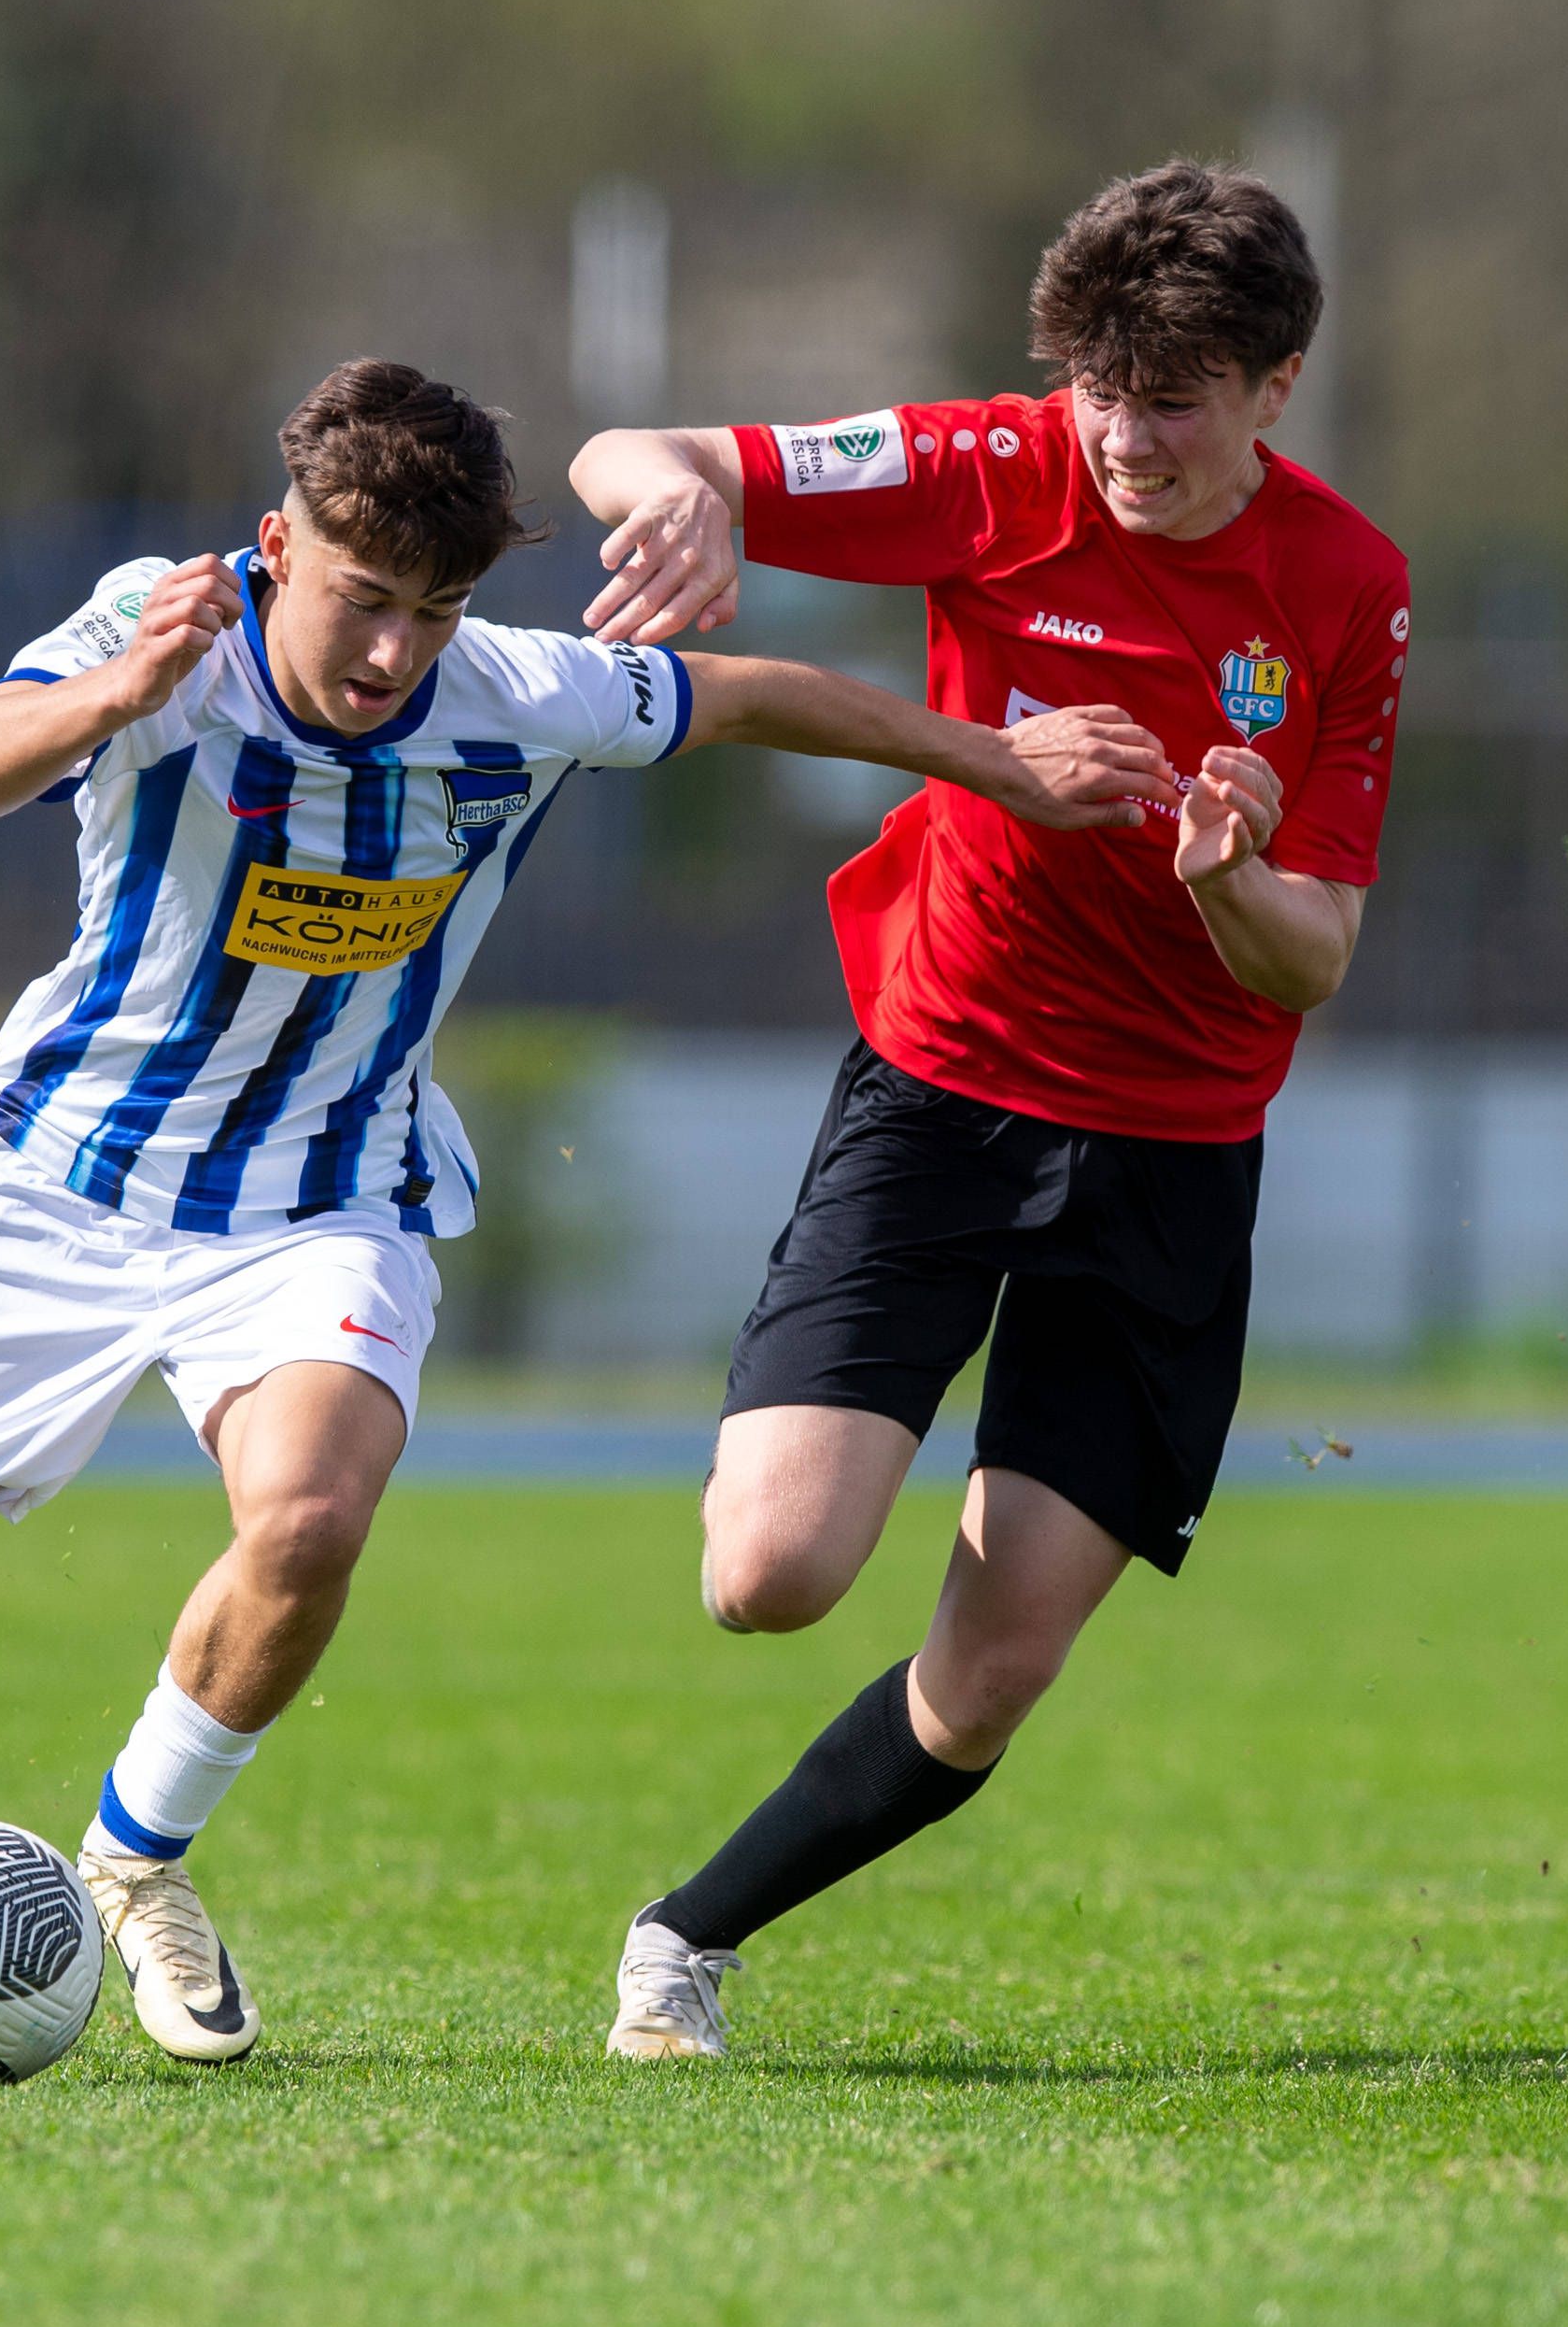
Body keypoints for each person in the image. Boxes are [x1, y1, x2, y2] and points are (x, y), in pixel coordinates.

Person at [0, 358, 1166, 2067]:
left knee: (307, 1521)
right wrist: (115, 693)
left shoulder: (516, 693)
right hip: (55, 1188)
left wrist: (994, 760)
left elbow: (744, 696)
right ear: (280, 544)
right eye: (365, 599)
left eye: (435, 613)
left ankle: (133, 1859)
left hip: (327, 1196)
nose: (394, 654)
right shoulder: (160, 628)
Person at [562, 161, 1412, 2058]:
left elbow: (1314, 958)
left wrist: (1222, 878)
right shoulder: (992, 466)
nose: (1124, 439)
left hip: (1175, 1152)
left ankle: (685, 1938)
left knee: (993, 1670)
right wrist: (679, 501)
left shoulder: (1349, 588)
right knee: (767, 1575)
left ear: (1277, 386)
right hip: (946, 1084)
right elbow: (637, 450)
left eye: (1174, 399)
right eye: (1100, 389)